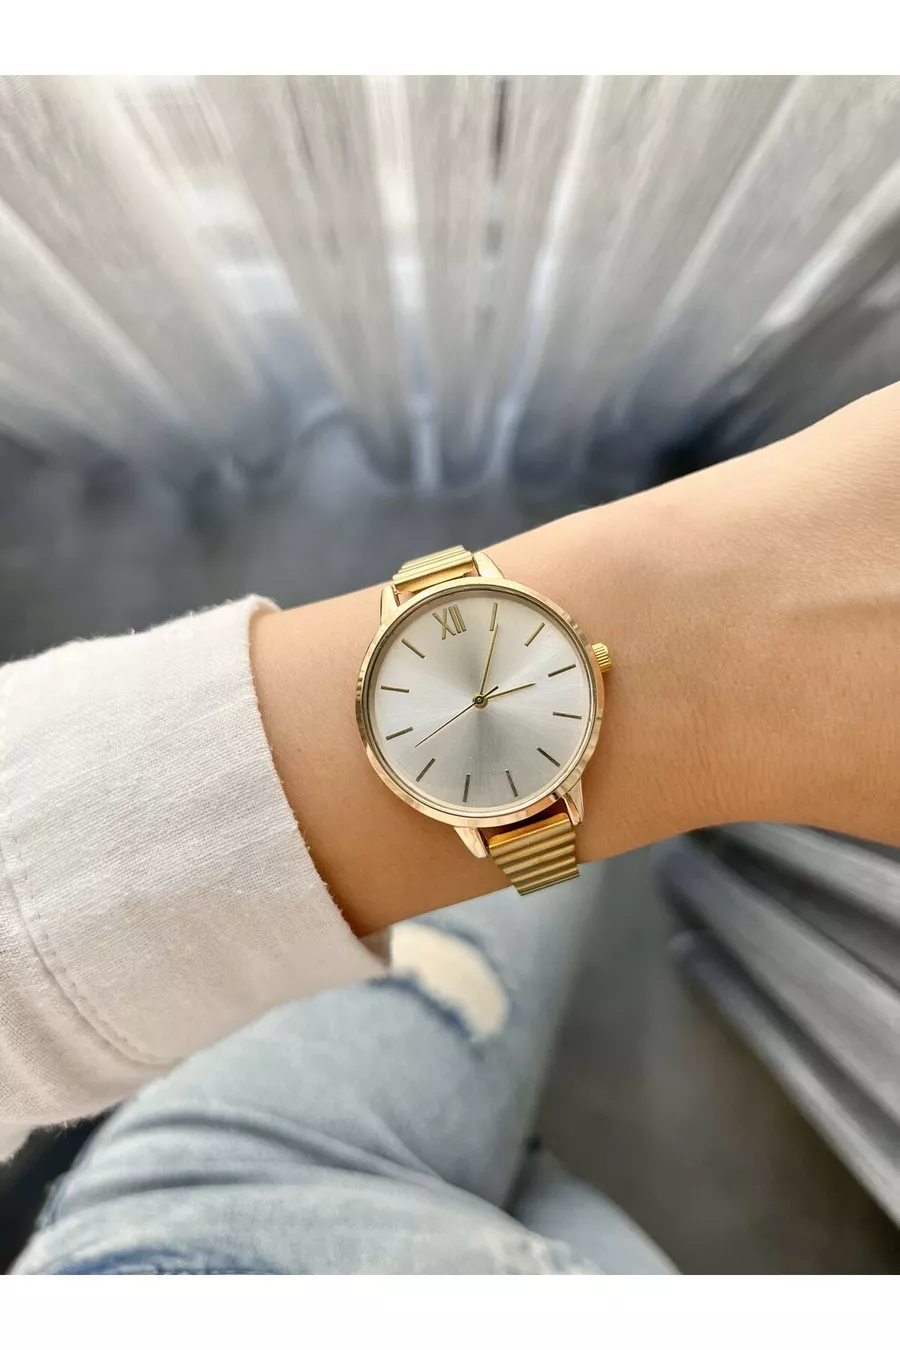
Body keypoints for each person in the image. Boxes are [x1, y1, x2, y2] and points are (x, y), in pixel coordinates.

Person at [4, 382, 900, 1274]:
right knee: (515, 911)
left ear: (590, 659)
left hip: (196, 1226)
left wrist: (674, 627)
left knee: (528, 894)